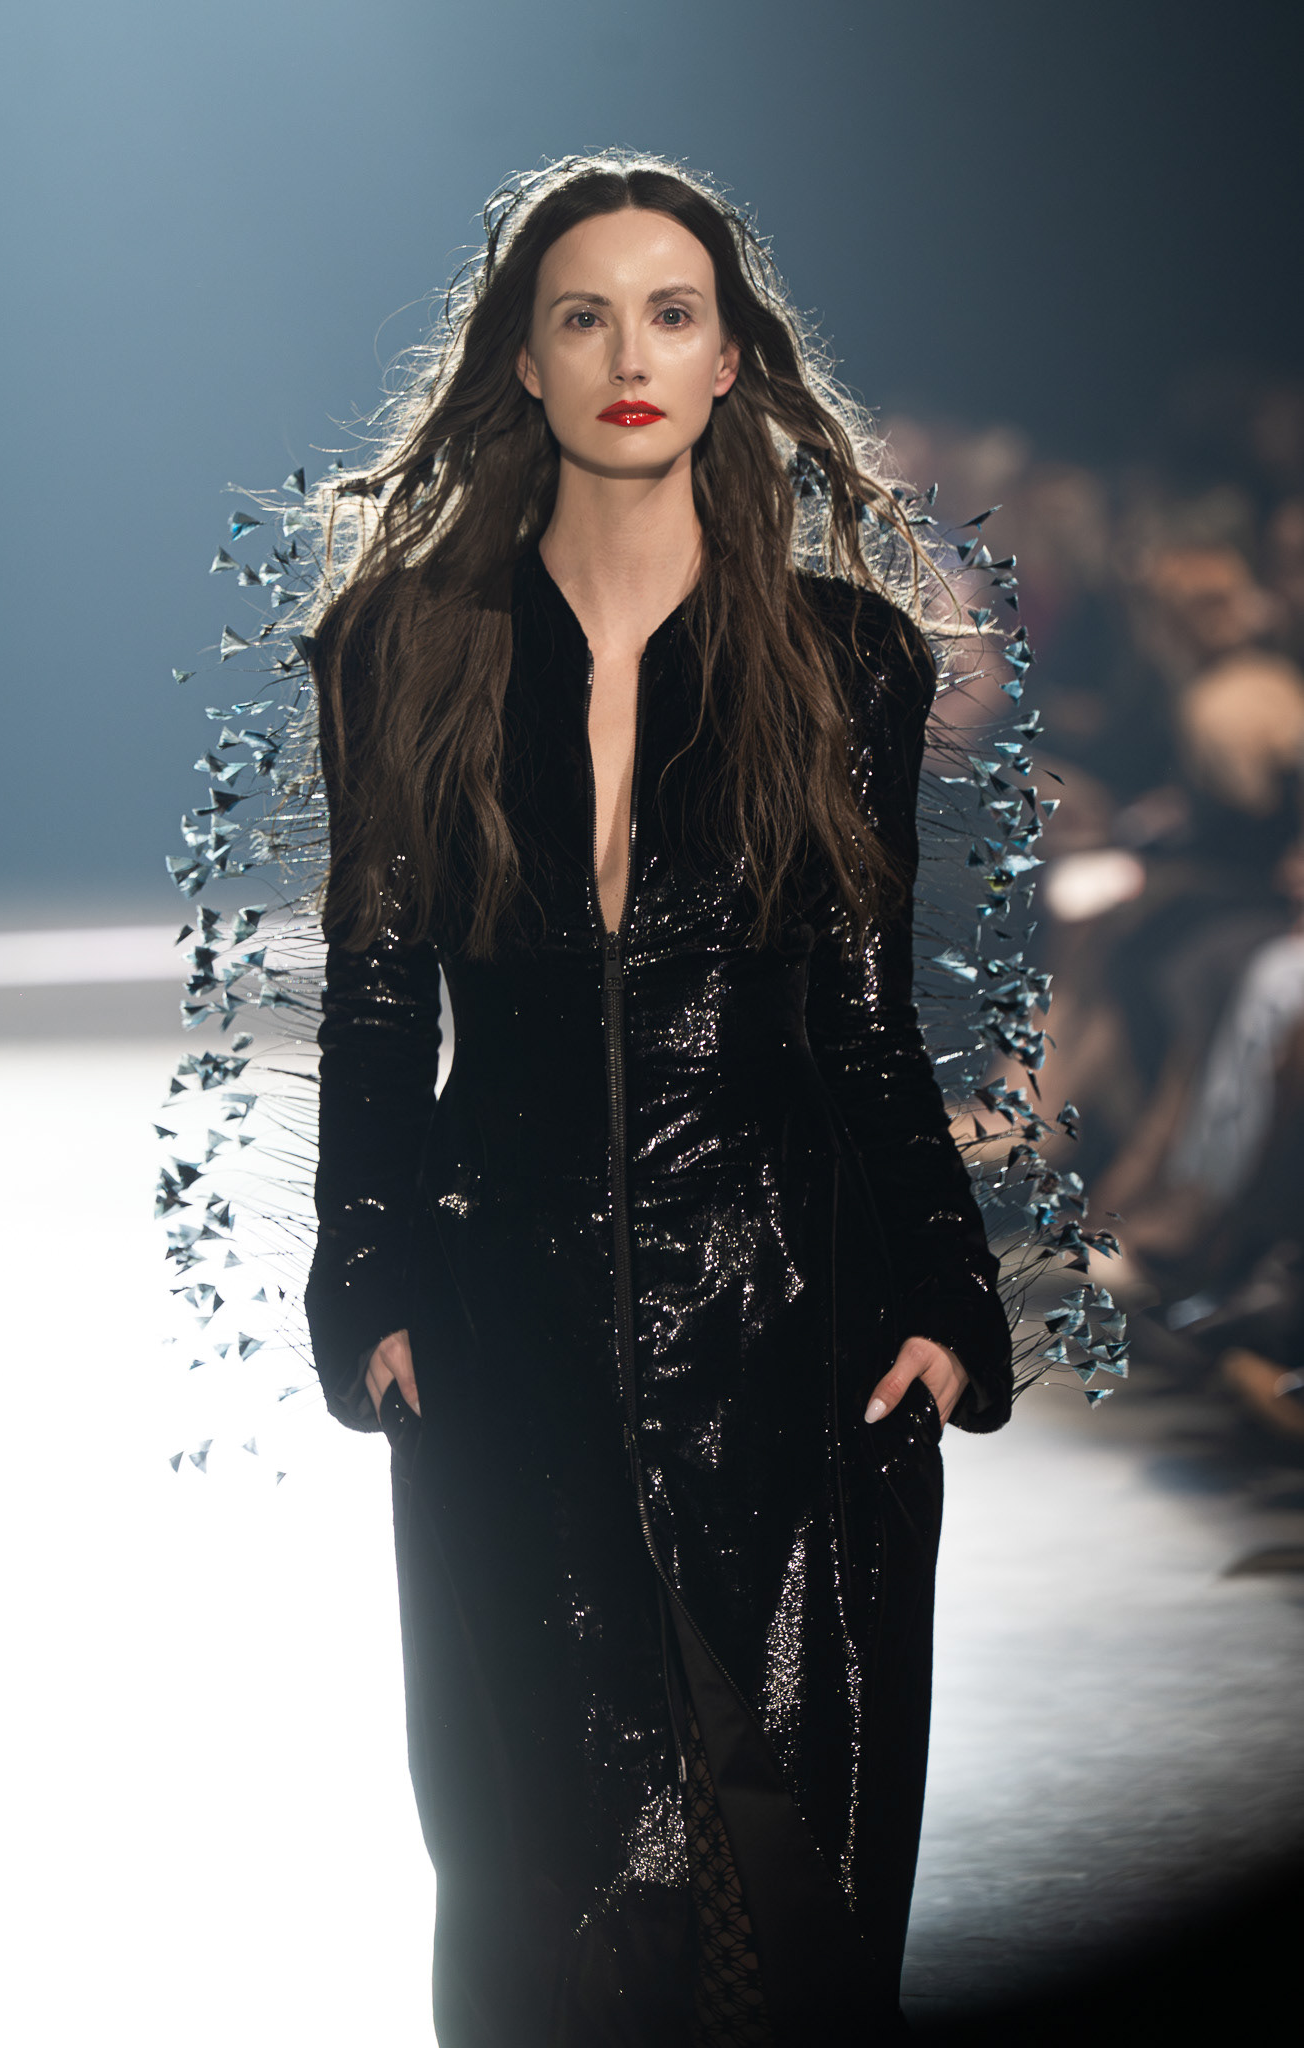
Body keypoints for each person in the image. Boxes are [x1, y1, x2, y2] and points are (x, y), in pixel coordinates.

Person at [301, 153, 1013, 2047]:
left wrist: (944, 1292)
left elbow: (864, 1019)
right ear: (520, 362)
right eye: (584, 316)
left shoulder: (844, 659)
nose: (630, 356)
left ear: (727, 361)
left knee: (787, 1869)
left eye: (670, 313)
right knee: (545, 1864)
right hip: (505, 1324)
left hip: (792, 1319)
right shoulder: (400, 649)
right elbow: (376, 1002)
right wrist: (368, 1269)